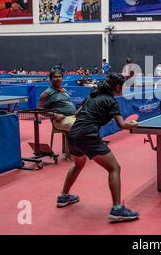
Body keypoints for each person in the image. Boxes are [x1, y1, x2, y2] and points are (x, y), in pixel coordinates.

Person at [57, 72, 139, 222]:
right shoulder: (111, 101)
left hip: (73, 133)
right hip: (88, 136)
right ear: (118, 87)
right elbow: (122, 124)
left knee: (78, 164)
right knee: (114, 168)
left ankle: (63, 196)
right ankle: (117, 209)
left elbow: (77, 114)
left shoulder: (92, 96)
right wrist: (133, 124)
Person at [38, 70, 77, 134]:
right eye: (55, 77)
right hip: (60, 120)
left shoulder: (64, 90)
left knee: (90, 123)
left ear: (62, 78)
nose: (58, 79)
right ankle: (71, 144)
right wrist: (55, 115)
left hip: (73, 117)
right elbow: (40, 110)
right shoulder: (46, 93)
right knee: (79, 127)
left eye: (59, 76)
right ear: (50, 79)